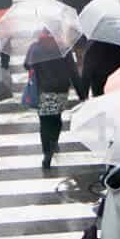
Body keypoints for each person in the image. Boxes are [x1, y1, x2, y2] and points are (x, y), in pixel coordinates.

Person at [25, 35, 85, 169]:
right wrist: (82, 94)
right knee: (57, 118)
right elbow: (73, 72)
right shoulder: (63, 48)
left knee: (44, 121)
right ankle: (54, 141)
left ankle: (47, 152)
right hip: (61, 89)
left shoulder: (36, 47)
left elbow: (27, 65)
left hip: (43, 90)